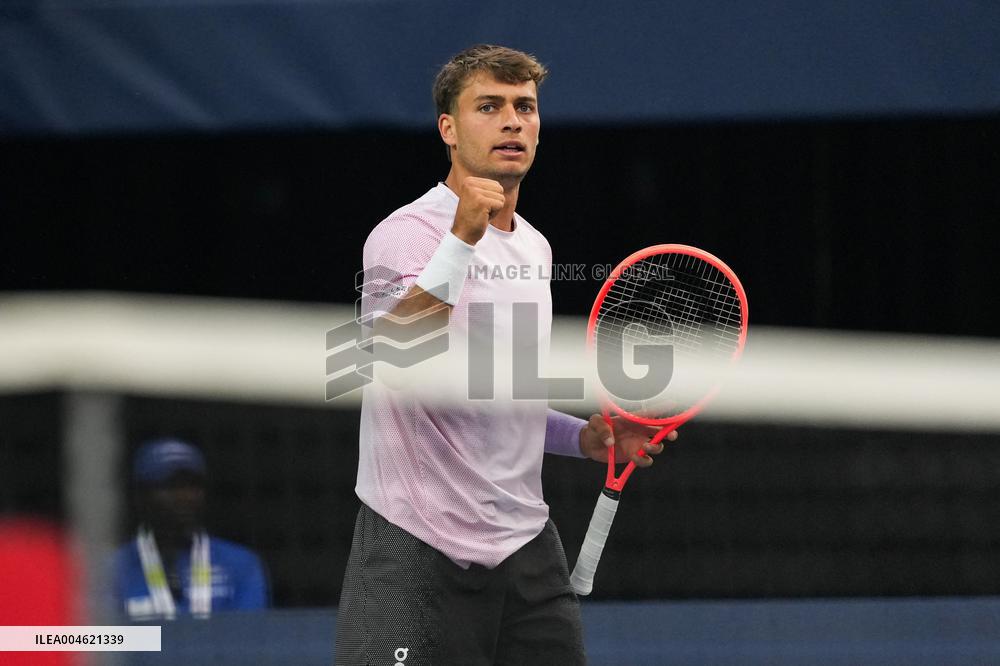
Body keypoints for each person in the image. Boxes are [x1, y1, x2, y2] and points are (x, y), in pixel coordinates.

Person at [334, 44, 674, 665]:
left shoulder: (537, 250)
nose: (513, 121)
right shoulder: (406, 233)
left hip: (524, 550)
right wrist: (463, 237)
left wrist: (588, 440)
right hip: (415, 541)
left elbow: (505, 394)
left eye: (526, 107)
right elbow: (391, 362)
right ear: (449, 128)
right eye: (489, 106)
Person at [112, 438, 269, 620]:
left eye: (192, 485)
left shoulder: (241, 564)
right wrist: (159, 640)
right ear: (141, 495)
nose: (184, 496)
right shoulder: (111, 571)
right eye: (170, 486)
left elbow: (250, 638)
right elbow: (90, 639)